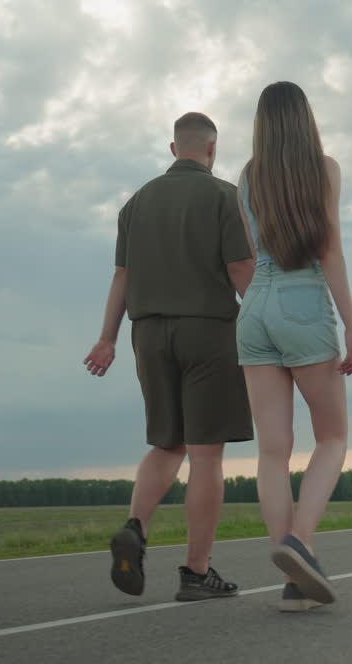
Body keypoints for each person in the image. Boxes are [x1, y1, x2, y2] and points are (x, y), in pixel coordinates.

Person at [84, 112, 256, 602]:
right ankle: (196, 573)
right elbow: (239, 268)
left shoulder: (135, 203)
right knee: (206, 453)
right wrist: (267, 321)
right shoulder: (224, 197)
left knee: (167, 444)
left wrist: (106, 339)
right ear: (212, 149)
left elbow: (122, 276)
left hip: (147, 335)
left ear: (173, 148)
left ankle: (135, 527)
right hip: (208, 333)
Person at [235, 81, 352, 612]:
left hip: (254, 307)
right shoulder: (324, 168)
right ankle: (301, 543)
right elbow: (329, 252)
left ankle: (293, 579)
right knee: (332, 436)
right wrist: (351, 327)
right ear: (305, 118)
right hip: (303, 301)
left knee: (272, 450)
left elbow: (252, 252)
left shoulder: (247, 176)